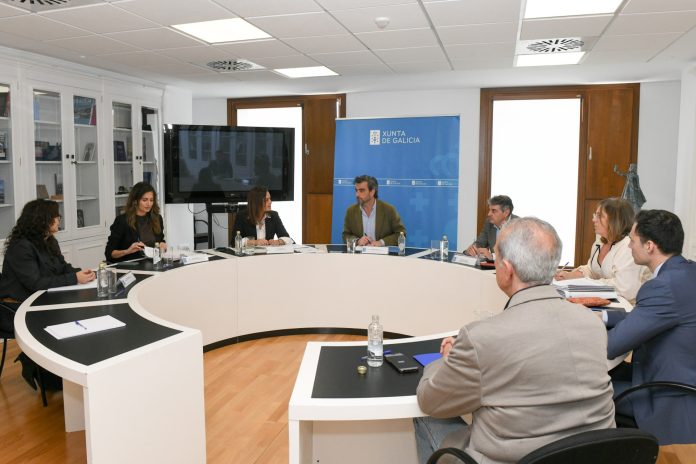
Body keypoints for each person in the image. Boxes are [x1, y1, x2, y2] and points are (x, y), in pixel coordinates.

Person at [414, 217, 615, 464]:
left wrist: (446, 360)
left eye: (496, 257)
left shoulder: (481, 338)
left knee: (426, 417)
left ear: (507, 270)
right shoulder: (592, 324)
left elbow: (430, 400)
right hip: (593, 456)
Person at [605, 209, 696, 445]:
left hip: (670, 397)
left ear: (649, 246)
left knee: (585, 393)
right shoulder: (687, 272)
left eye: (632, 241)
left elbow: (612, 346)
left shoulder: (663, 286)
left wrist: (578, 331)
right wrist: (604, 317)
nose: (628, 246)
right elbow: (649, 317)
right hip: (681, 377)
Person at [0, 199, 95, 327]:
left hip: (42, 298)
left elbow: (62, 267)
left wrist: (81, 273)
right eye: (56, 216)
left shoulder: (49, 240)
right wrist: (75, 278)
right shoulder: (21, 247)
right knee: (71, 316)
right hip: (18, 307)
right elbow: (36, 283)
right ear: (43, 220)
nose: (59, 220)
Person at [555, 197, 650, 304]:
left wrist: (587, 283)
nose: (593, 219)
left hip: (630, 306)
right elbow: (592, 270)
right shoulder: (599, 243)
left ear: (615, 220)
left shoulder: (628, 247)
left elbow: (624, 289)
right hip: (608, 302)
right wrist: (569, 275)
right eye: (595, 215)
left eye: (599, 216)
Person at [105, 182, 166, 263]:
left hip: (154, 264)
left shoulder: (157, 218)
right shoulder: (122, 221)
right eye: (144, 200)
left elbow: (160, 241)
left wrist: (162, 245)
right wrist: (127, 251)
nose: (149, 204)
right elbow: (109, 253)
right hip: (131, 266)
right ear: (135, 201)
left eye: (151, 200)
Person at [342, 175, 406, 247]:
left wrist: (381, 242)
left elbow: (401, 233)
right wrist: (357, 241)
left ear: (372, 192)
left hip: (382, 253)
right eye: (356, 190)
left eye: (361, 191)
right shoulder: (351, 211)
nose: (357, 194)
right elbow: (346, 235)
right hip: (360, 253)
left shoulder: (389, 210)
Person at [464, 195, 516, 259]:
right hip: (495, 265)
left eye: (494, 211)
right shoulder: (489, 223)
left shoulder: (519, 225)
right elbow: (480, 243)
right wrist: (470, 250)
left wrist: (492, 256)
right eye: (490, 210)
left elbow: (518, 256)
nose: (489, 214)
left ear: (506, 213)